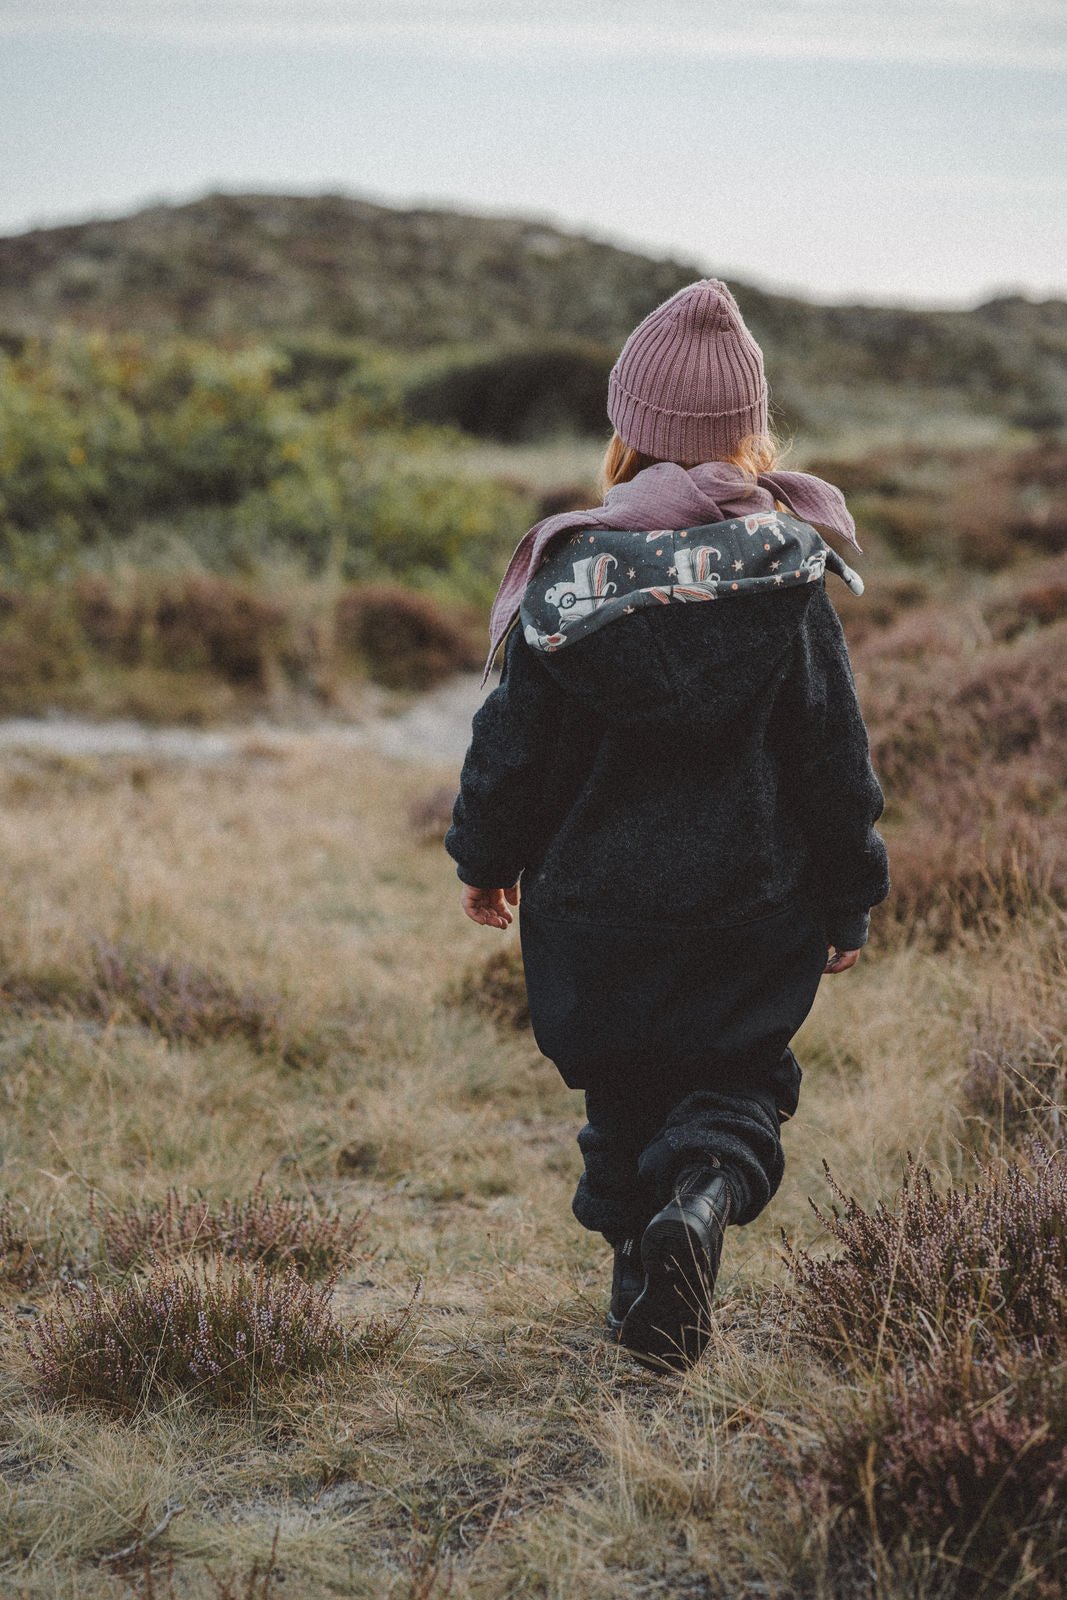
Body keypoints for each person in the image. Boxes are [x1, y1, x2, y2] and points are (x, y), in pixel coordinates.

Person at [444, 279, 890, 1371]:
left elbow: (512, 751)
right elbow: (833, 758)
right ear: (750, 432)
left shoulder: (566, 580)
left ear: (626, 433)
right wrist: (848, 893)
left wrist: (483, 859)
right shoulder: (788, 571)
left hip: (596, 914)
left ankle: (636, 1282)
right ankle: (695, 1205)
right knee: (732, 1088)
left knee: (624, 1090)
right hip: (749, 903)